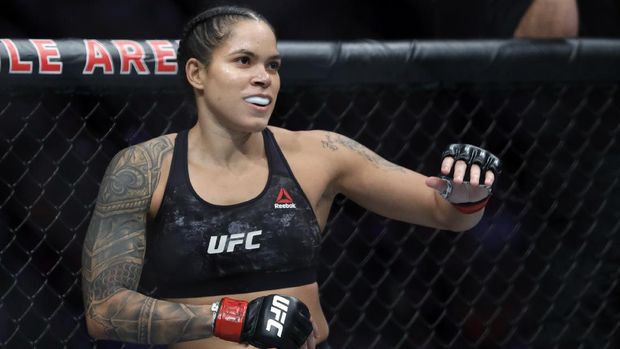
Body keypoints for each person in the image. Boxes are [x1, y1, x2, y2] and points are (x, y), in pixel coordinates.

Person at [81, 5, 501, 349]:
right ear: (197, 74)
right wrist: (233, 320)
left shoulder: (318, 154)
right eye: (244, 61)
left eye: (273, 65)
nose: (264, 77)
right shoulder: (144, 167)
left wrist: (467, 193)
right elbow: (104, 312)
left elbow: (445, 213)